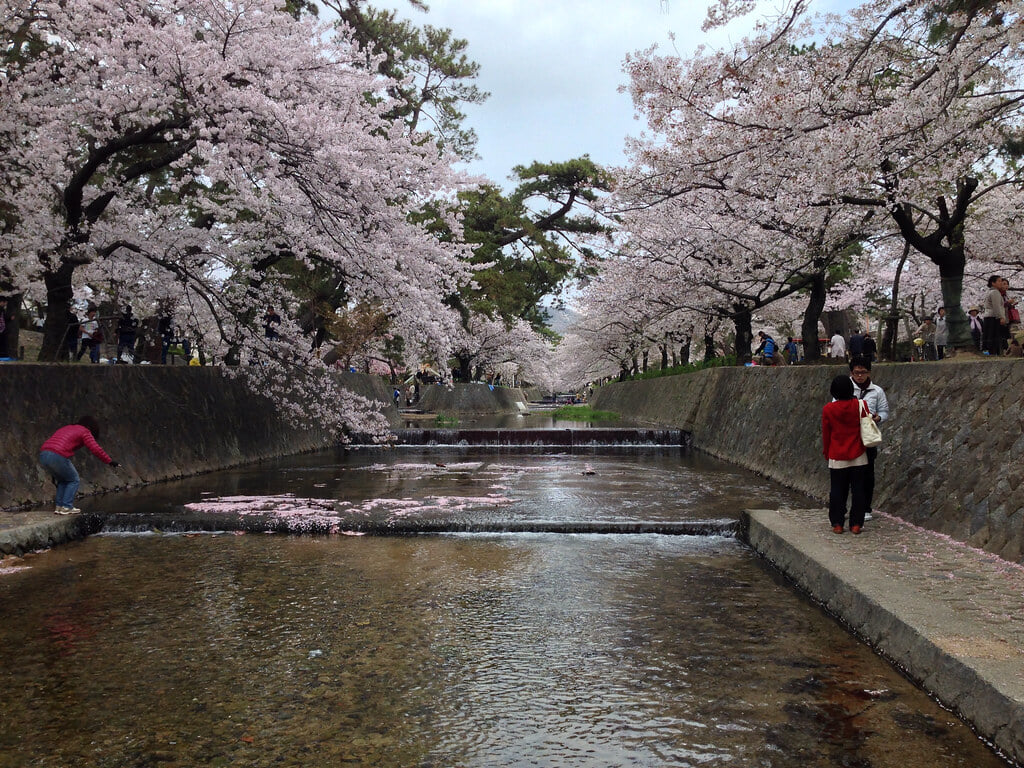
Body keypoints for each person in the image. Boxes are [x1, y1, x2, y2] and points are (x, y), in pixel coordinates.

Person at [38, 417, 120, 515]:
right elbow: (96, 449)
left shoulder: (68, 427)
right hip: (58, 455)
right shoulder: (85, 431)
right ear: (90, 427)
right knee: (74, 480)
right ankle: (67, 506)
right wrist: (109, 461)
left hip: (44, 454)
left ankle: (59, 507)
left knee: (63, 481)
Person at [822, 374, 869, 535]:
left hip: (836, 454)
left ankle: (837, 523)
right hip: (858, 453)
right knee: (858, 490)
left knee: (837, 490)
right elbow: (866, 426)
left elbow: (826, 433)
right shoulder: (860, 405)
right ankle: (856, 523)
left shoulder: (828, 409)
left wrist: (826, 451)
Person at [849, 356, 889, 521]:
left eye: (863, 372)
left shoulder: (877, 391)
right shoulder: (845, 389)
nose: (860, 376)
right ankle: (851, 506)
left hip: (868, 437)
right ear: (851, 373)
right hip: (850, 437)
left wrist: (877, 418)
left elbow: (885, 412)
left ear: (869, 372)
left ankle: (866, 507)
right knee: (849, 473)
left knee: (867, 473)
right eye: (856, 373)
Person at [982, 275, 1006, 355]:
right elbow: (996, 306)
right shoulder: (995, 292)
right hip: (993, 317)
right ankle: (994, 352)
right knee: (994, 336)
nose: (1001, 283)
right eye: (999, 281)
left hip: (989, 316)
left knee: (990, 336)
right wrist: (1001, 317)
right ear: (993, 283)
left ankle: (992, 352)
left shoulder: (991, 291)